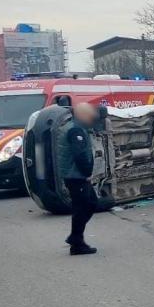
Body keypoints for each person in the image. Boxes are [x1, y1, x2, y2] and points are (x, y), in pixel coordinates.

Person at [58, 103, 99, 255]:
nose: (92, 118)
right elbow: (79, 154)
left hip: (74, 175)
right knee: (83, 207)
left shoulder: (76, 127)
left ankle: (75, 239)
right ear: (81, 115)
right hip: (75, 175)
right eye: (89, 115)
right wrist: (87, 172)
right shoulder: (76, 130)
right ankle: (76, 242)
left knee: (89, 204)